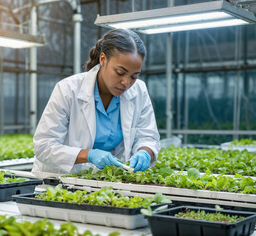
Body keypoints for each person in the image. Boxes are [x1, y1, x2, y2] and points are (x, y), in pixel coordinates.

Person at [32, 28, 160, 174]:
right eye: (120, 72)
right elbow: (43, 146)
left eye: (134, 76)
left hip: (105, 181)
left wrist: (144, 152)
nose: (126, 82)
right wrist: (88, 155)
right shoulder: (68, 89)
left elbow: (148, 137)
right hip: (59, 181)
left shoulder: (139, 91)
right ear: (103, 59)